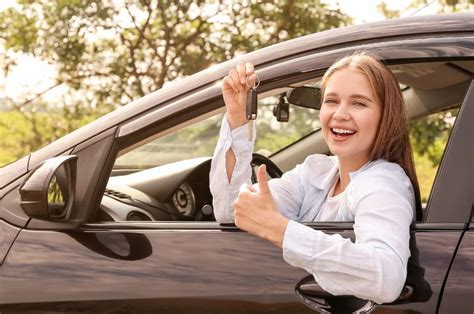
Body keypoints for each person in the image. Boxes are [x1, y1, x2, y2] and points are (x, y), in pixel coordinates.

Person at [209, 52, 421, 304]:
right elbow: (233, 213)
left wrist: (278, 228)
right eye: (331, 101)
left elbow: (386, 278)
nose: (340, 114)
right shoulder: (316, 173)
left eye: (359, 103)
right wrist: (237, 118)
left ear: (386, 115)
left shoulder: (382, 183)